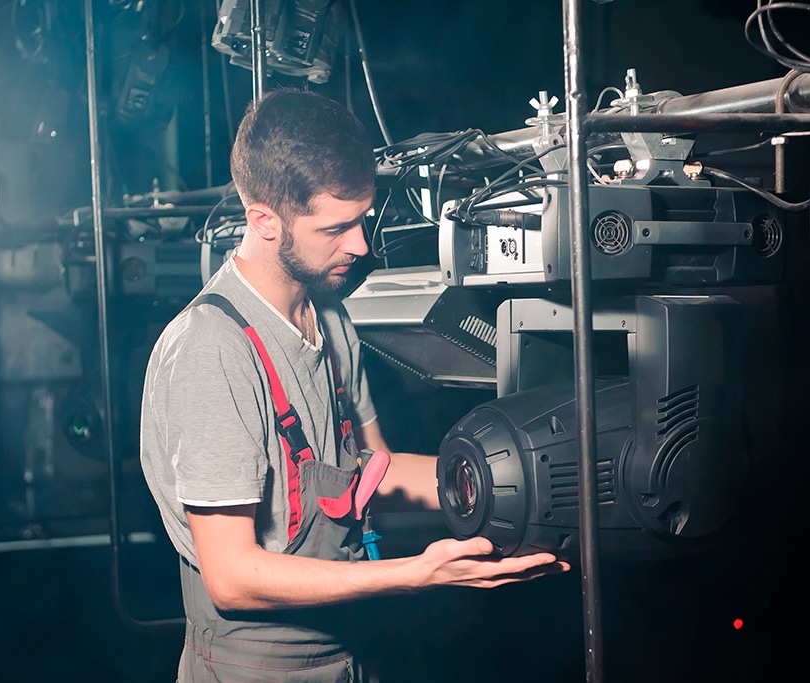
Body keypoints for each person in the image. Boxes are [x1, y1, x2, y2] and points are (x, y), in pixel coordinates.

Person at [140, 88, 569, 682]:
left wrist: (524, 489)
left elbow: (372, 471)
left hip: (349, 653)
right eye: (336, 227)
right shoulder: (213, 349)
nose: (361, 245)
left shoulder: (330, 315)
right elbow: (233, 578)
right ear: (263, 220)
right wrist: (415, 573)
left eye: (363, 220)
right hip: (253, 668)